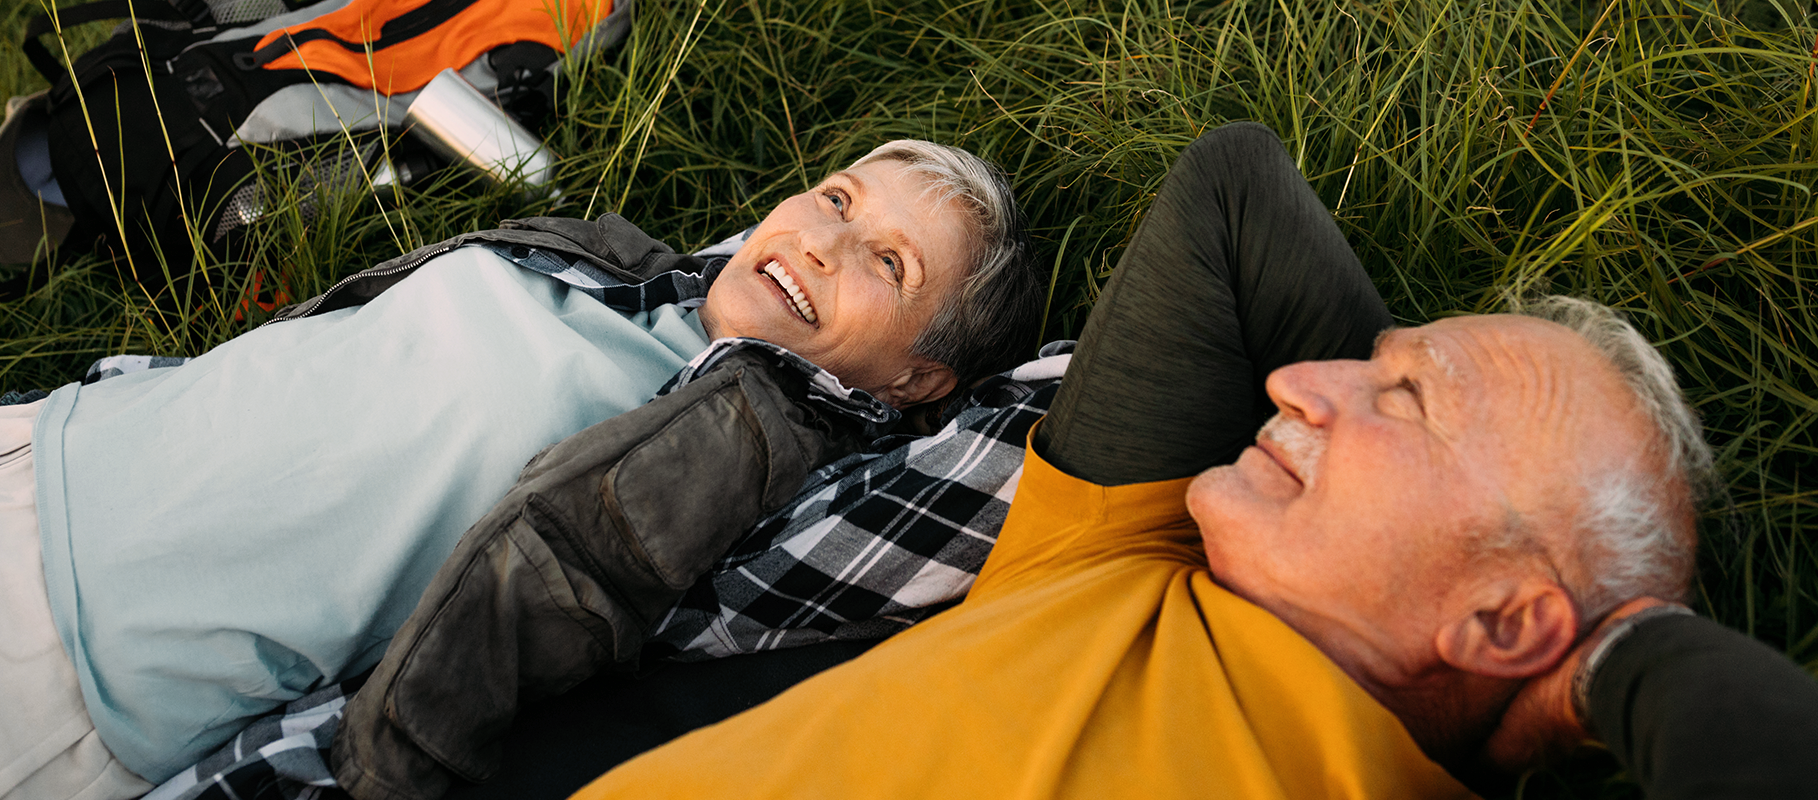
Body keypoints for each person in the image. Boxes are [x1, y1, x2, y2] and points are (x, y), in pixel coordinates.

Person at [560, 122, 1818, 799]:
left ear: (1503, 616)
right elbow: (1234, 191)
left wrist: (1610, 665)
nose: (1294, 381)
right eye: (1362, 357)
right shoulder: (1116, 557)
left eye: (1408, 401)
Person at [0, 139, 1042, 800]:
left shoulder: (757, 482)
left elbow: (1037, 438)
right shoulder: (621, 267)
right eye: (837, 197)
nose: (823, 240)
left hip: (26, 680)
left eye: (886, 262)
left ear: (920, 380)